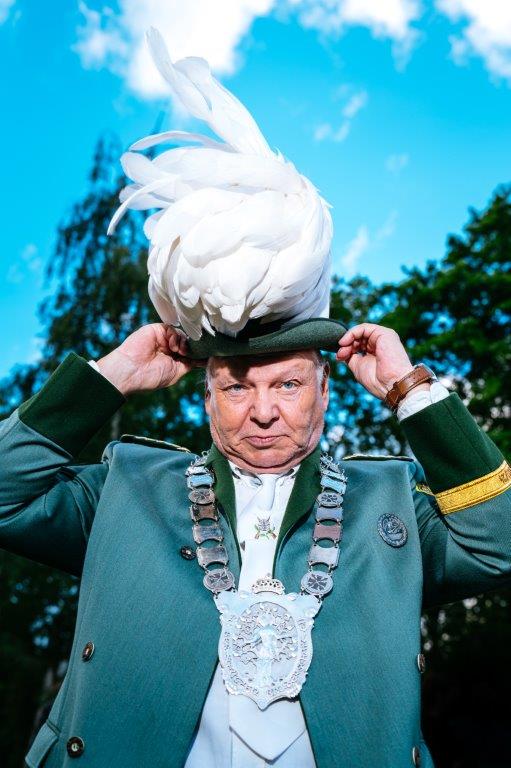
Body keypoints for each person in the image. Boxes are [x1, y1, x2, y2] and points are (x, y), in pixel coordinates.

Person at [2, 28, 510, 768]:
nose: (263, 410)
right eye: (236, 386)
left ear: (325, 392)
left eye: (287, 384)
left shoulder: (390, 503)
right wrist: (108, 376)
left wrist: (412, 393)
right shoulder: (126, 489)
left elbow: (500, 545)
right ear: (205, 399)